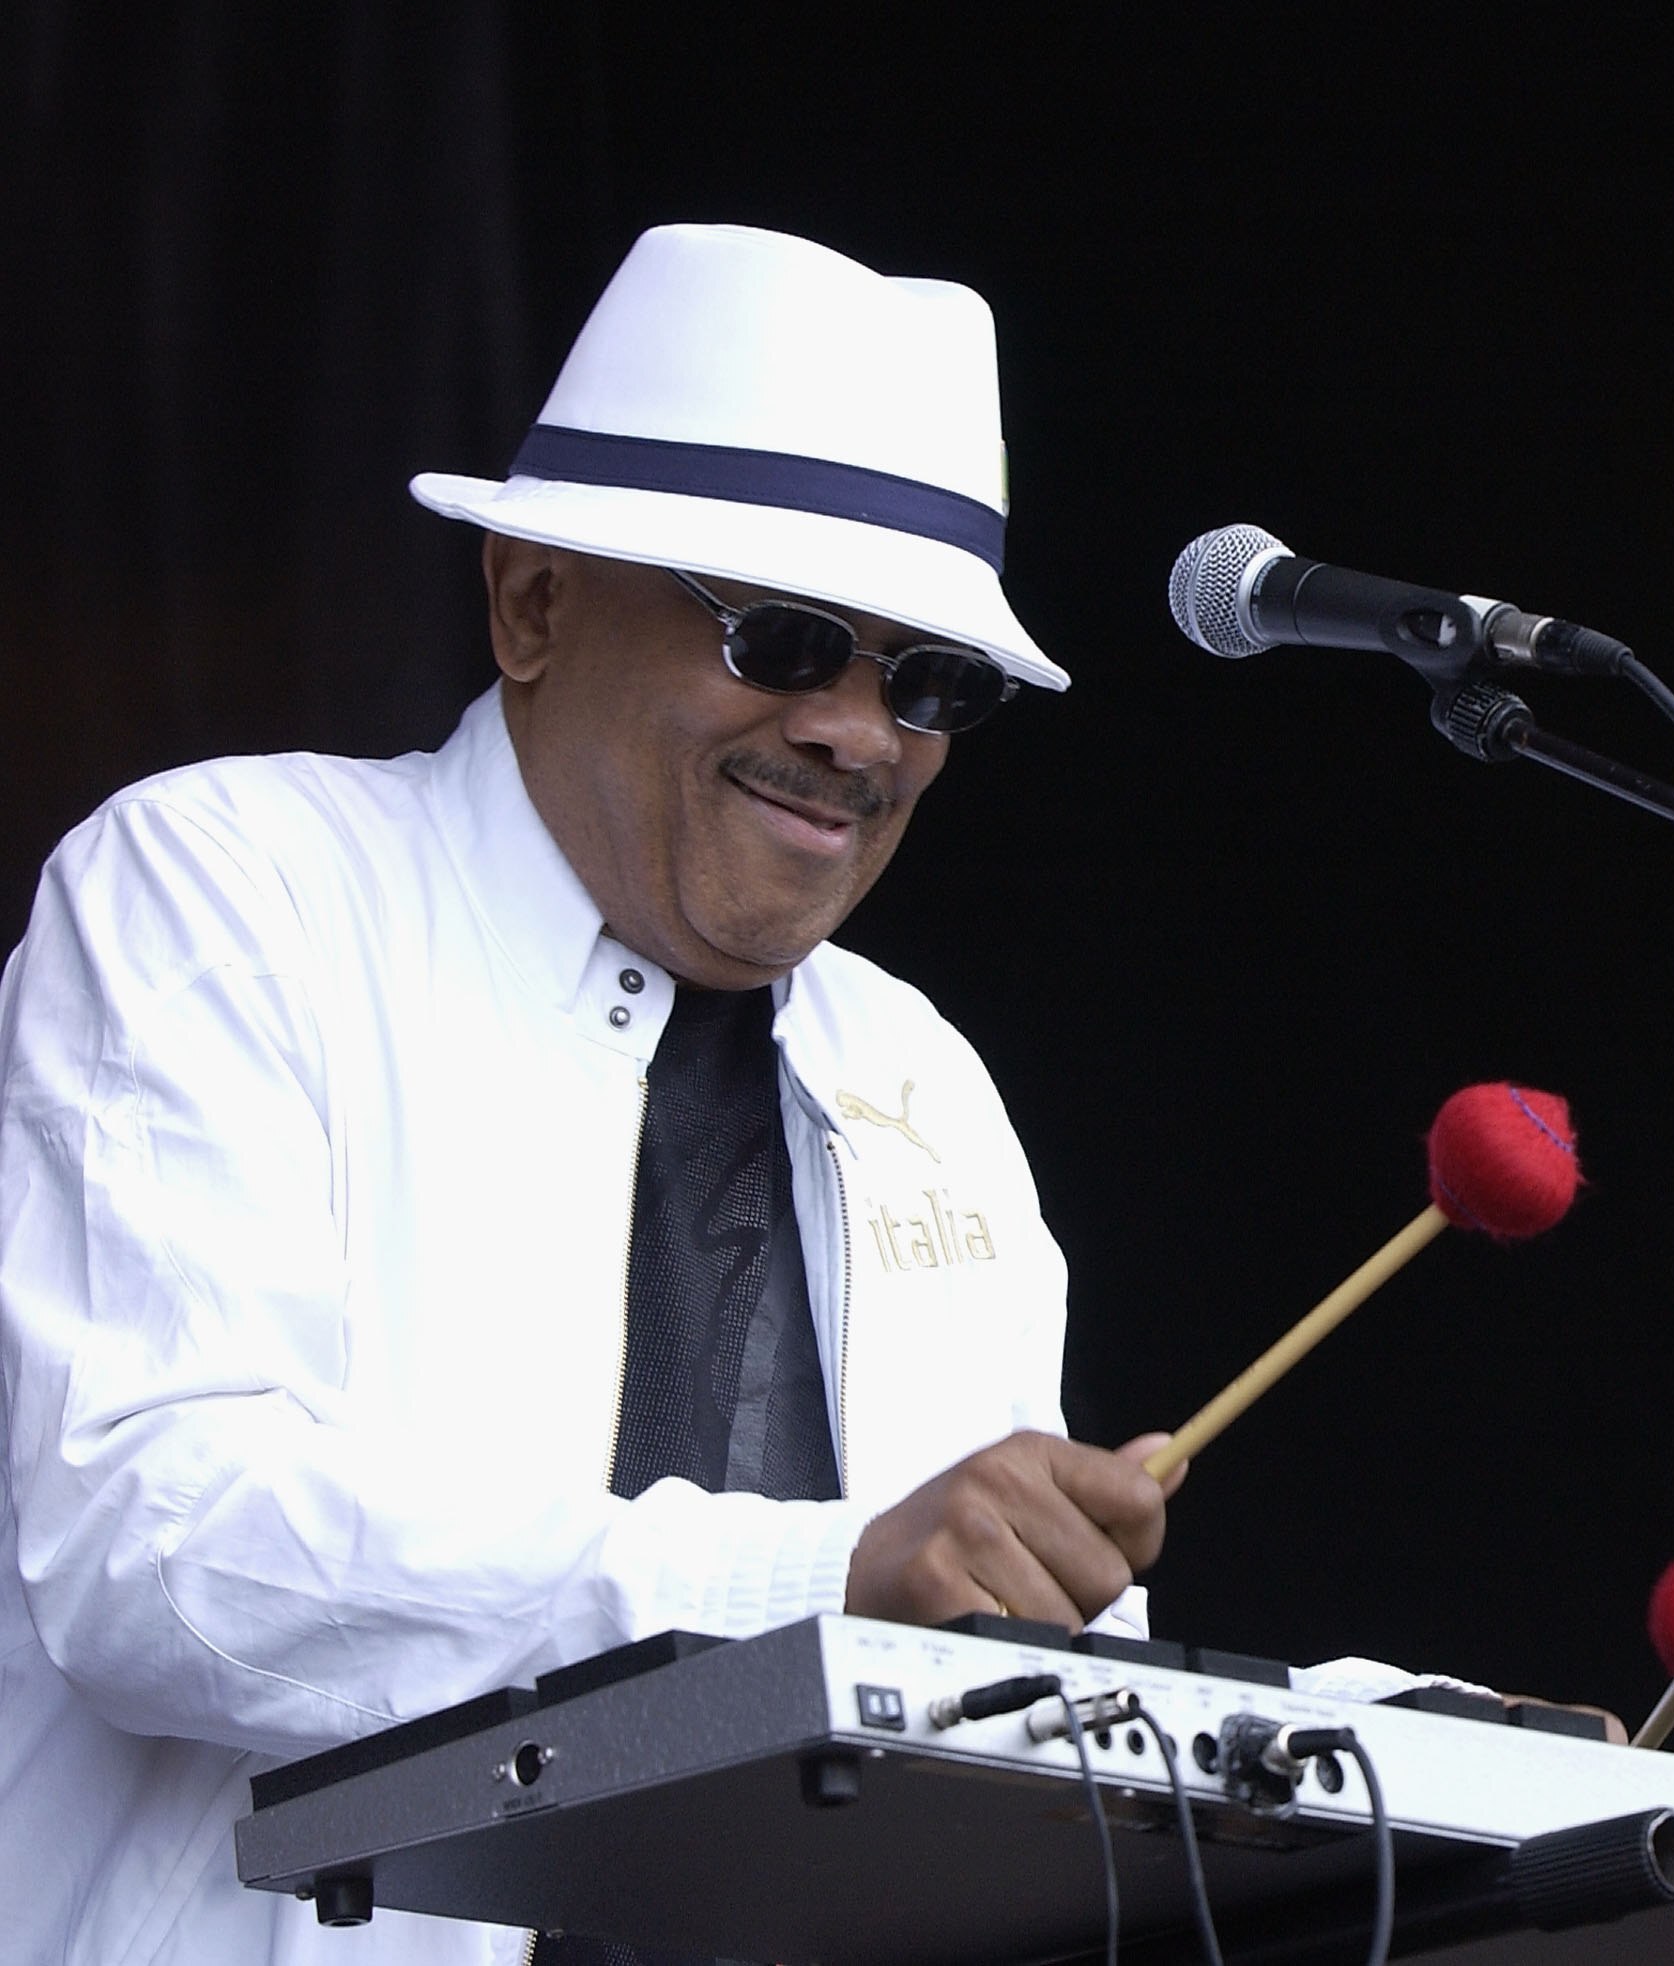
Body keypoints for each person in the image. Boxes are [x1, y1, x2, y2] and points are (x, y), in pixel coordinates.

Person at [0, 223, 1189, 1964]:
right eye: (788, 640)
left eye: (932, 683)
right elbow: (157, 1548)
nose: (863, 734)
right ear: (532, 598)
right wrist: (814, 1585)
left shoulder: (919, 1075)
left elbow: (998, 1682)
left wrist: (1447, 1762)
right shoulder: (228, 884)